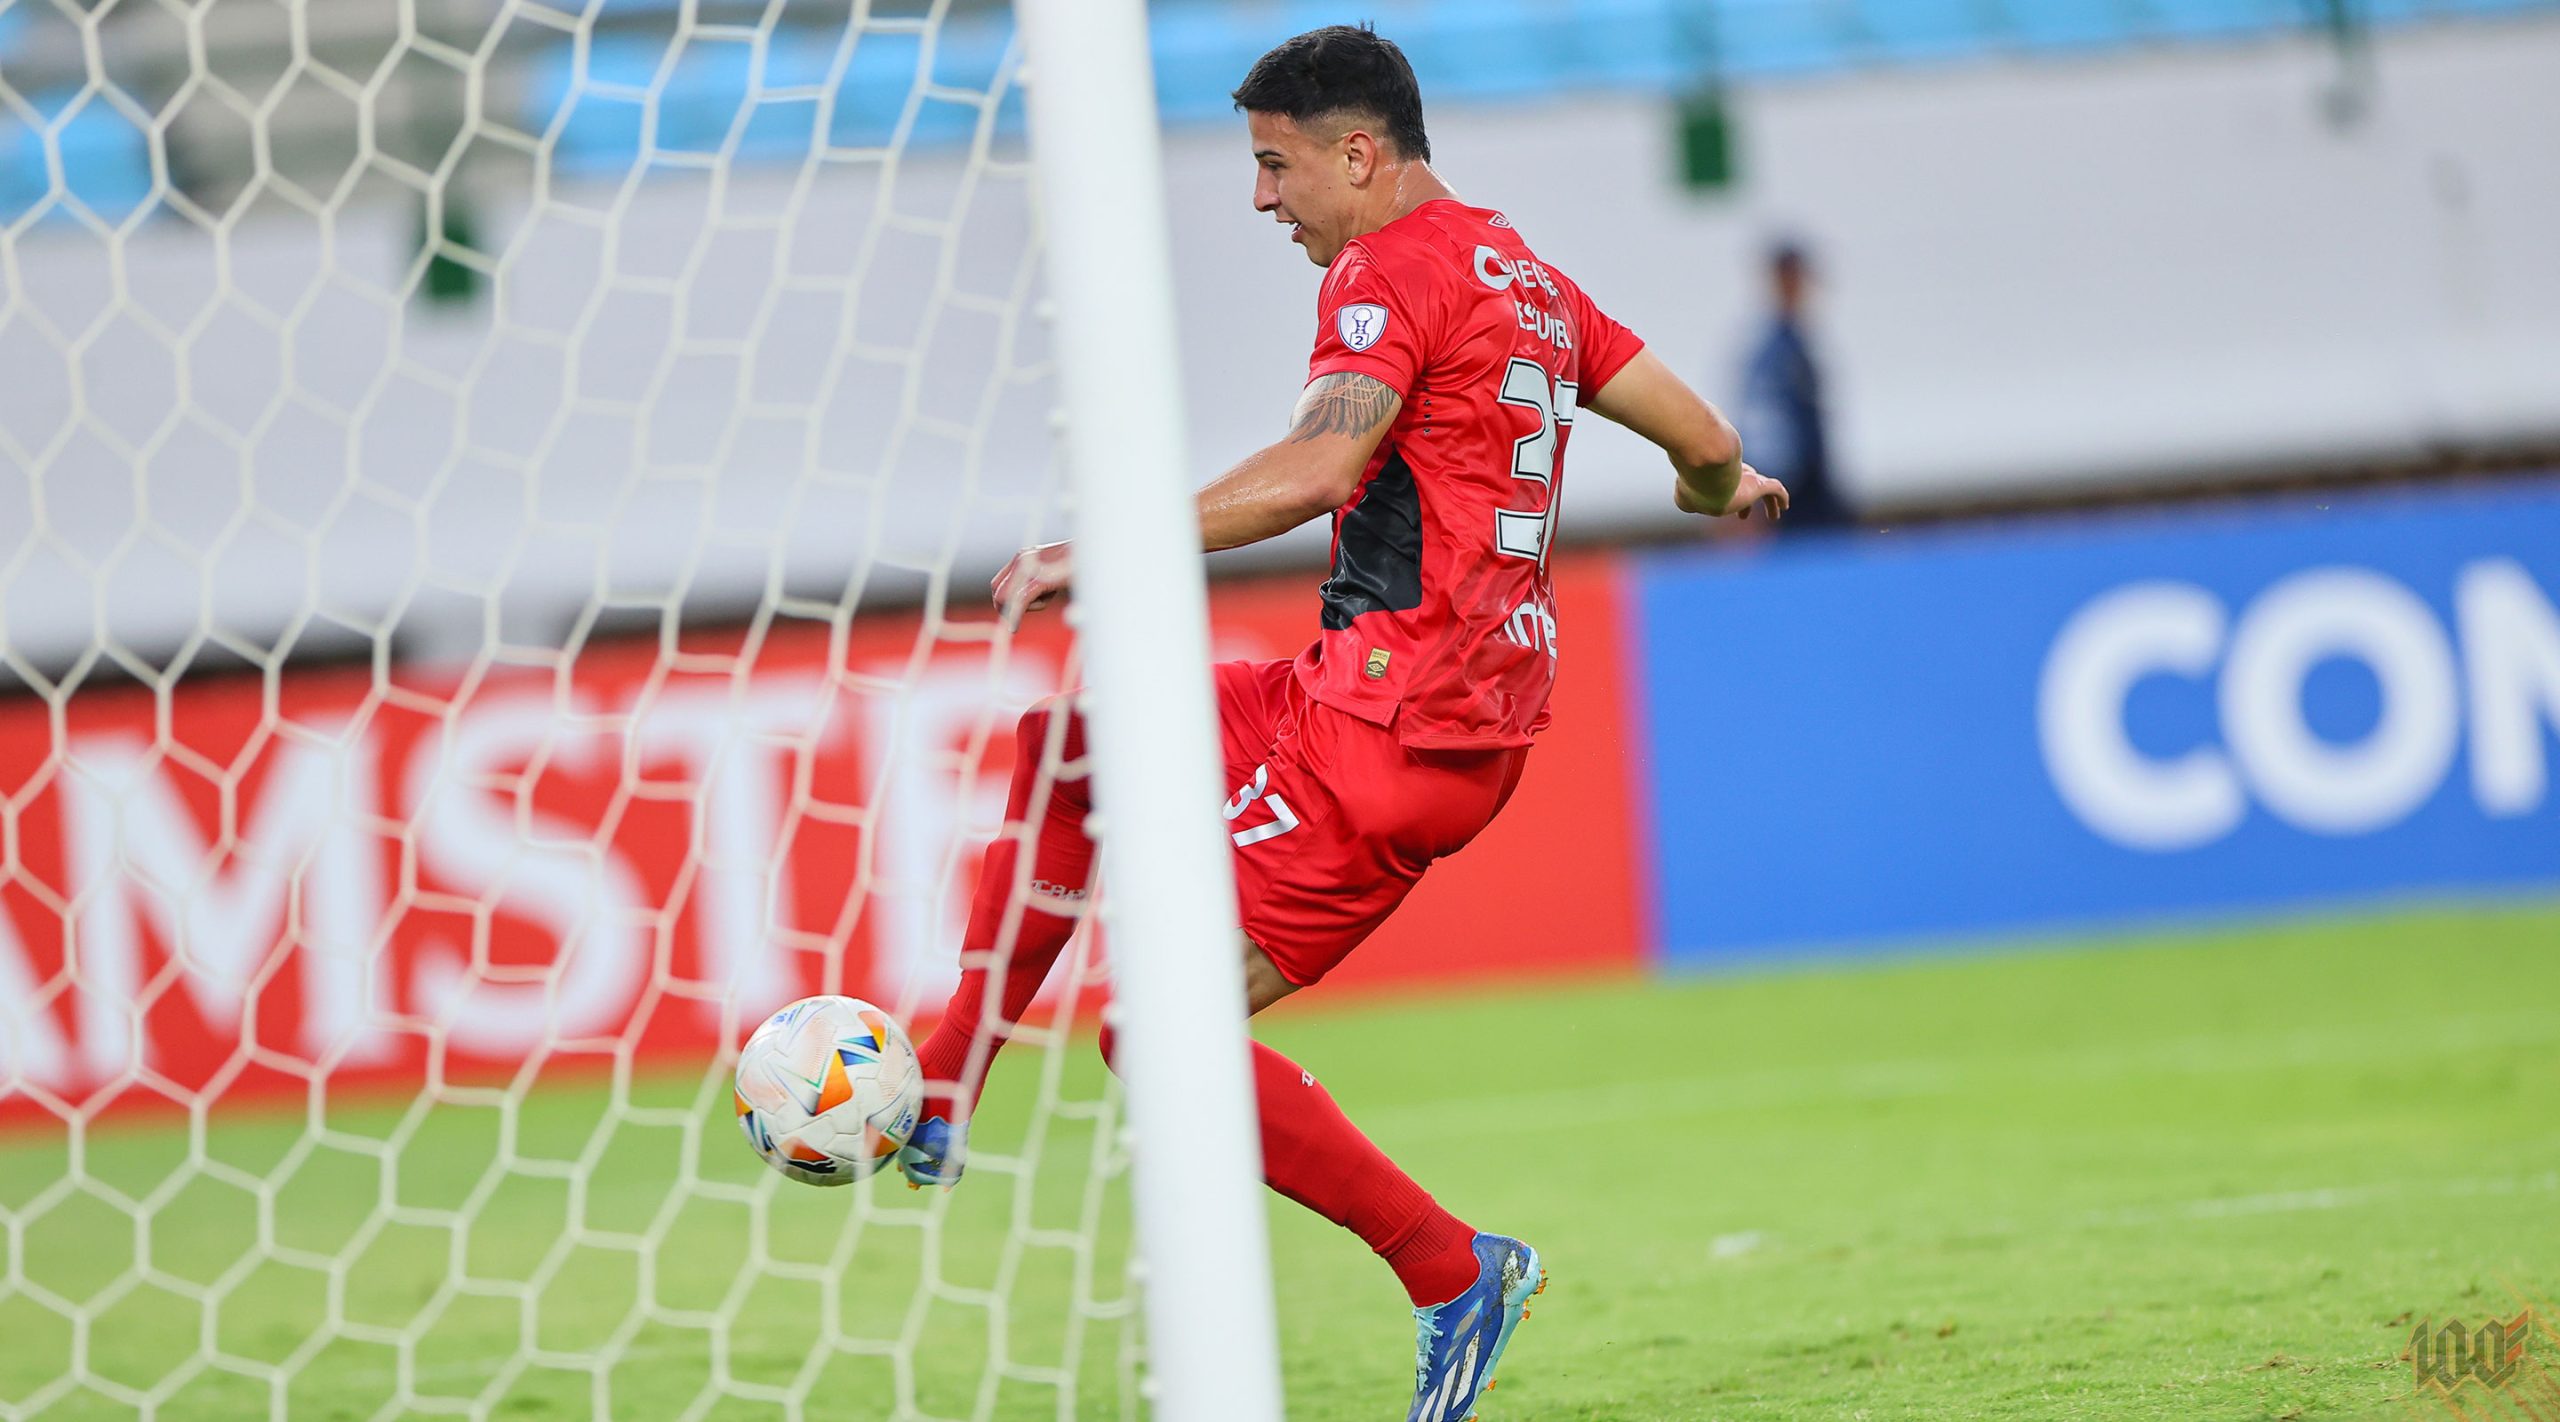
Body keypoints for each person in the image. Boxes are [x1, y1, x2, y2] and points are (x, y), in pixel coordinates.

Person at [895, 24, 1783, 1420]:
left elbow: (1322, 463)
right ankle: (948, 1076)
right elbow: (1701, 433)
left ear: (1359, 155)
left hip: (1396, 730)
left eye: (1275, 164)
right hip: (1390, 699)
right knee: (1072, 746)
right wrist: (1717, 487)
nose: (1262, 199)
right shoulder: (1522, 270)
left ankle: (1453, 1270)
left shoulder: (1389, 269)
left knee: (1157, 1032)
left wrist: (1111, 541)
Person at [1737, 240, 1844, 528]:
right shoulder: (1774, 353)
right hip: (1793, 498)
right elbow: (1763, 429)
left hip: (1811, 489)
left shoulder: (1798, 344)